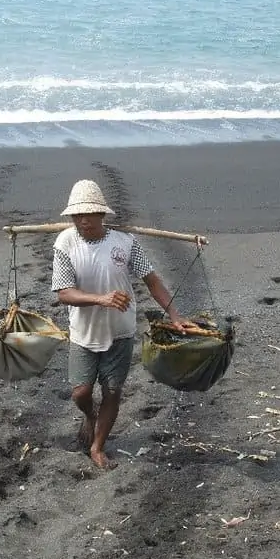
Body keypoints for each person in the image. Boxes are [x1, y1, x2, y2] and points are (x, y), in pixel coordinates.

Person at [51, 179, 198, 469]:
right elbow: (64, 293)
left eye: (89, 214)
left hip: (120, 331)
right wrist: (102, 299)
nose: (83, 221)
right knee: (80, 392)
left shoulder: (126, 243)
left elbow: (152, 281)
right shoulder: (65, 243)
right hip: (83, 332)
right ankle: (90, 415)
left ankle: (97, 446)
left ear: (102, 215)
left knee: (112, 391)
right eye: (77, 216)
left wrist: (175, 314)